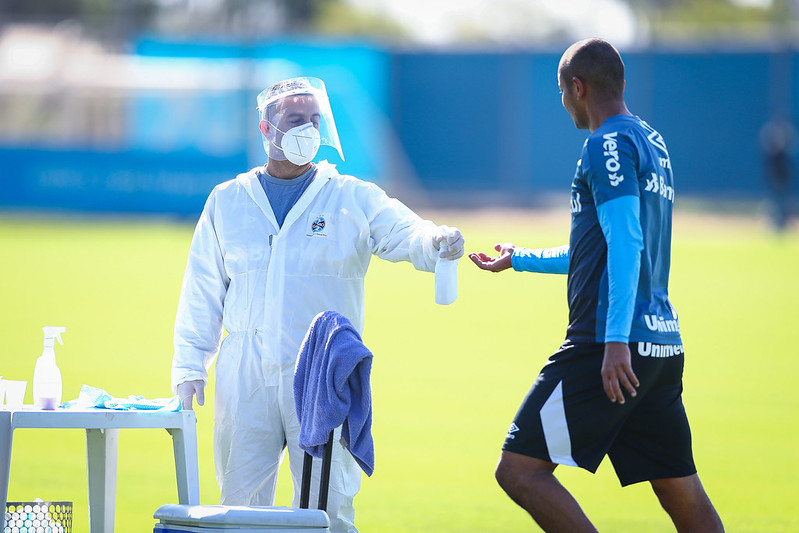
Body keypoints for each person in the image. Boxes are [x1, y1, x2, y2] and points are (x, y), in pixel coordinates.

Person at [171, 76, 464, 533]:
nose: (306, 128)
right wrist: (190, 365)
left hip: (323, 373)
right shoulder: (228, 200)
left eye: (313, 120)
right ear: (267, 129)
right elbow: (203, 287)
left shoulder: (350, 196)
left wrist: (435, 241)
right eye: (294, 120)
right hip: (245, 370)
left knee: (326, 510)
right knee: (239, 507)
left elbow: (403, 231)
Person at [469, 39, 724, 532]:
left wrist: (612, 341)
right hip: (660, 343)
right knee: (679, 487)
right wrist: (519, 259)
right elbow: (602, 249)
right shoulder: (650, 140)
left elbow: (627, 244)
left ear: (577, 88)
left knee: (519, 470)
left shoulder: (605, 144)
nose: (563, 103)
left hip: (610, 344)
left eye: (562, 92)